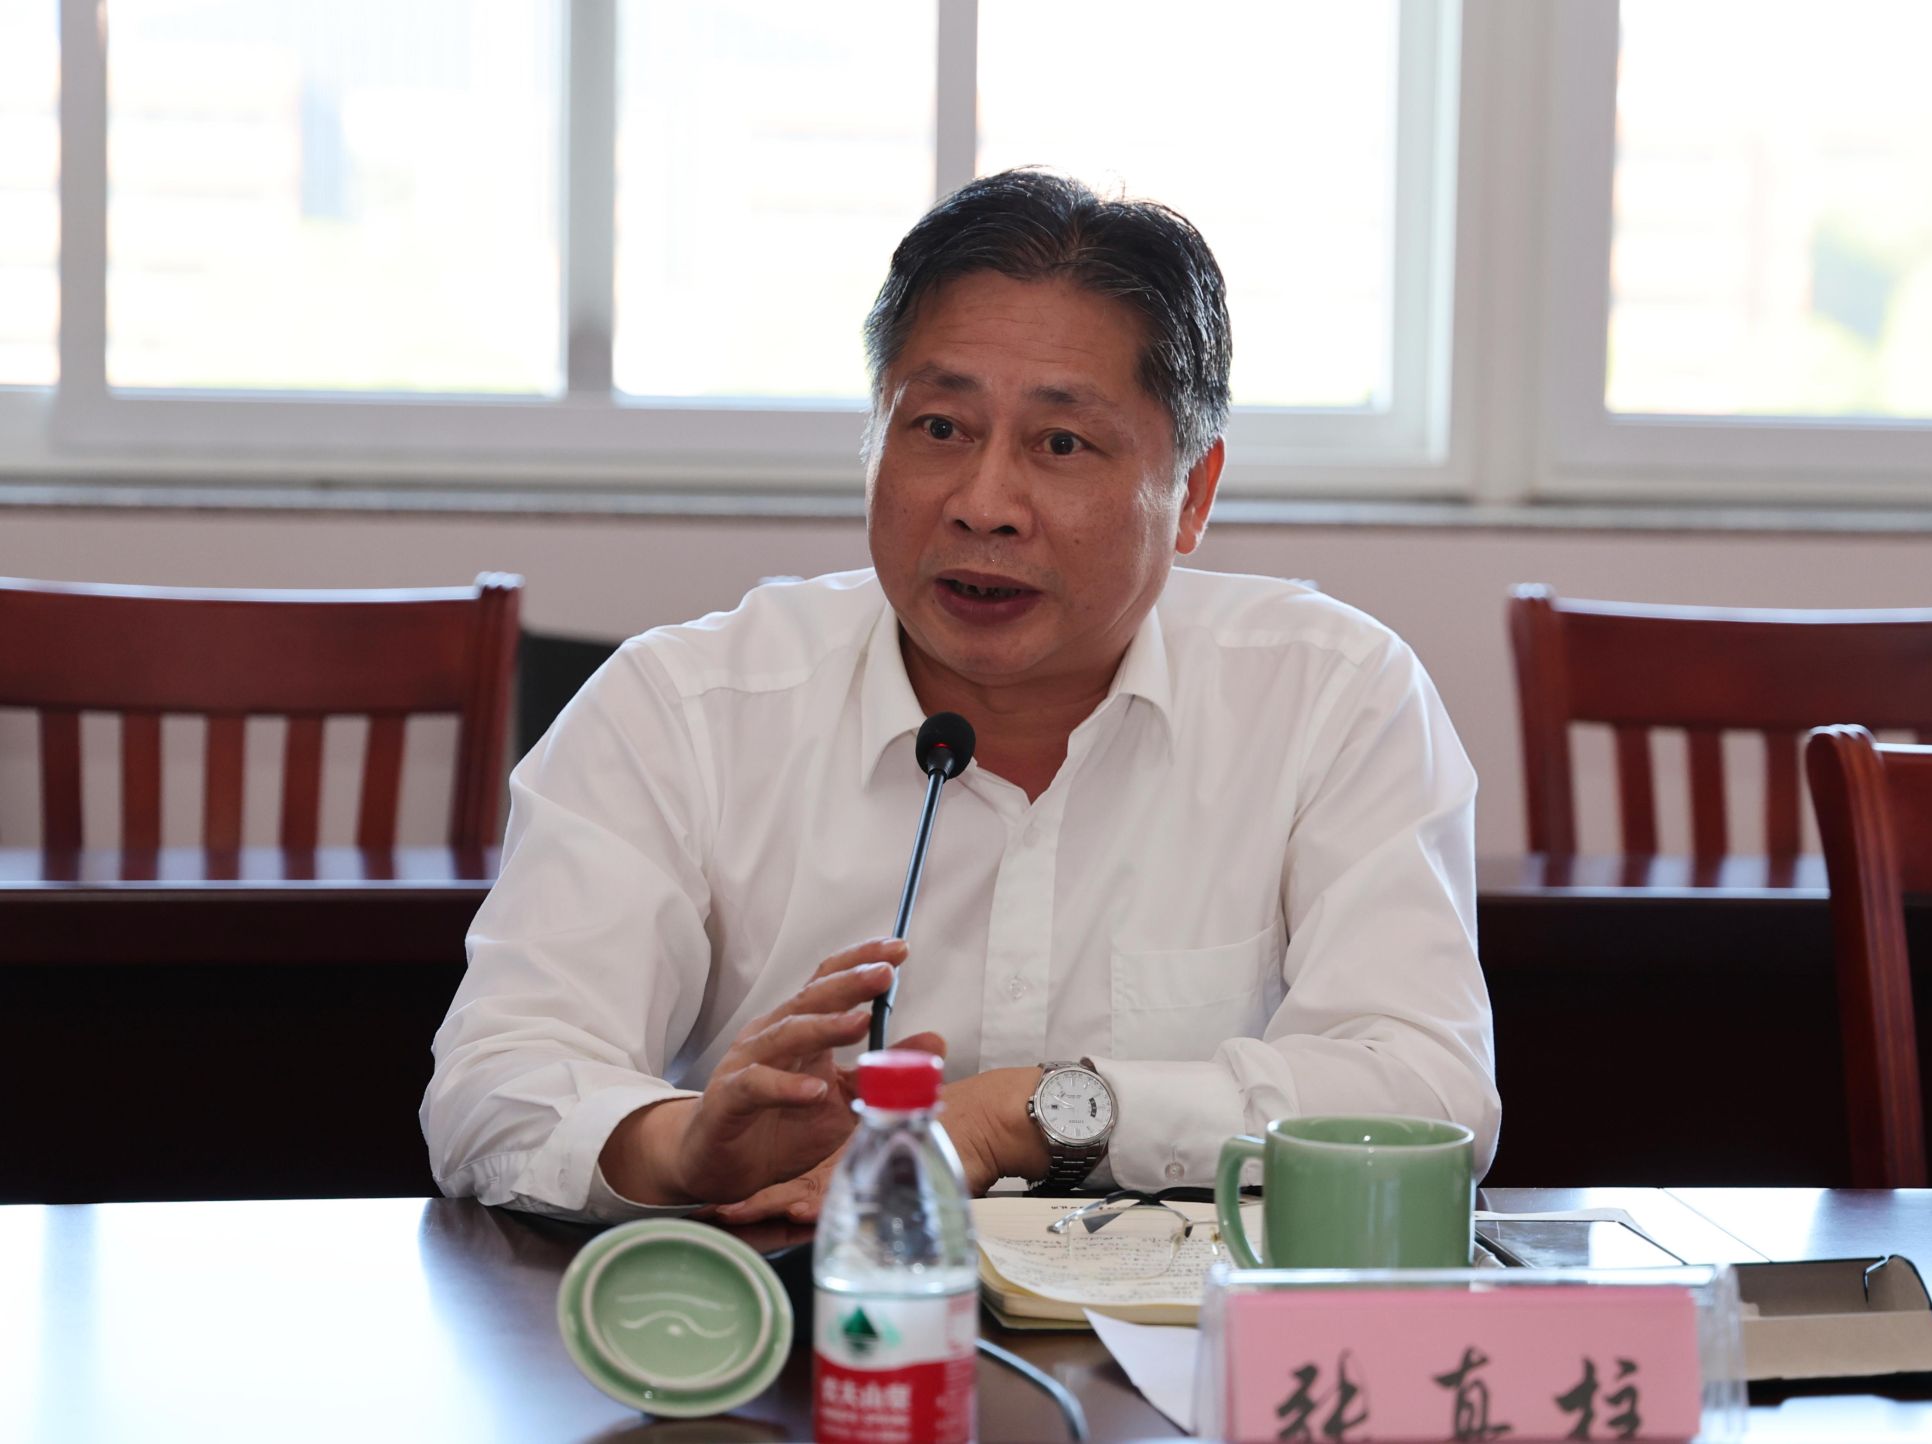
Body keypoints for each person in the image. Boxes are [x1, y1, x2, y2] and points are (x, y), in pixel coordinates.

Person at [422, 169, 1499, 1223]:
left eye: (1061, 443)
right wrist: (679, 1145)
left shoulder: (1332, 698)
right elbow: (496, 1079)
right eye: (938, 428)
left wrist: (1023, 1117)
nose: (985, 505)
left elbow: (1423, 1086)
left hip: (1180, 1331)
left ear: (1192, 493)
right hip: (801, 1313)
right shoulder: (682, 708)